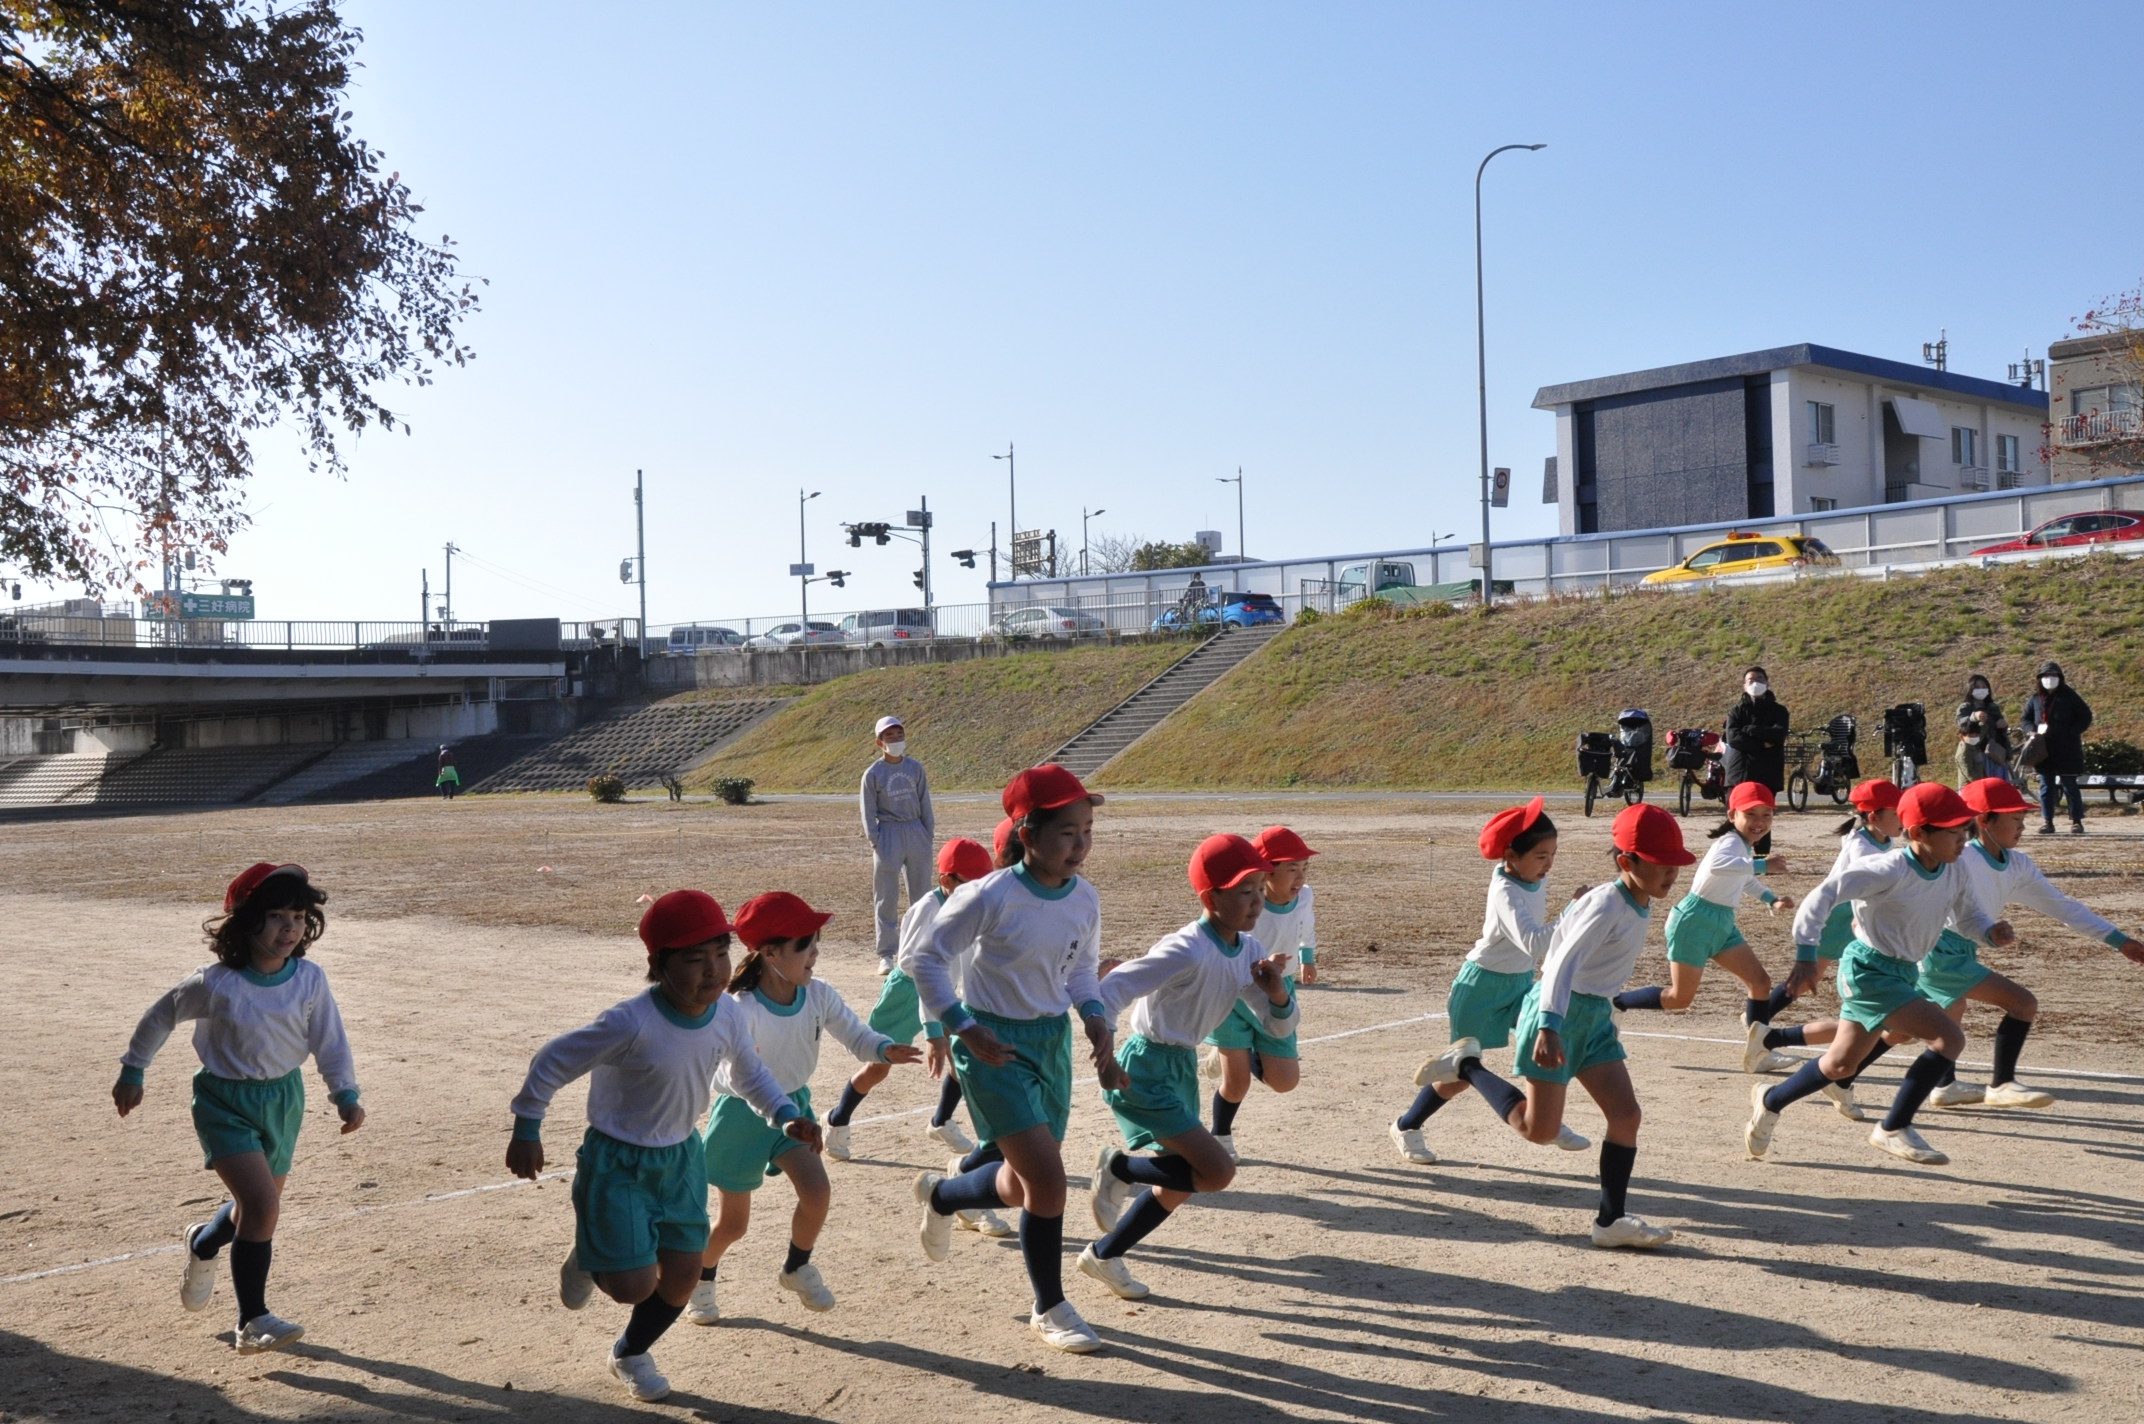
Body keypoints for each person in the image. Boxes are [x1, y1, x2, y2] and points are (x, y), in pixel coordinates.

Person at [506, 890, 818, 1402]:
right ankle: (590, 1254)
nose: (713, 970)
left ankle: (630, 1353)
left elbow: (750, 1074)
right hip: (618, 1161)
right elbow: (552, 1060)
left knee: (683, 1276)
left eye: (720, 953)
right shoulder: (630, 1022)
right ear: (659, 965)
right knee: (631, 1286)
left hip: (681, 1157)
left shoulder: (727, 1013)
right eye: (695, 959)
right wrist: (527, 1126)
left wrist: (785, 1115)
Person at [1417, 803, 1696, 1250]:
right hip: (1558, 1016)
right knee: (1539, 1130)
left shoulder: (1638, 900)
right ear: (1627, 863)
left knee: (1626, 1115)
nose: (1672, 874)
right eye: (1661, 864)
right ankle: (1466, 1066)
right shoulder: (1606, 903)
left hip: (1594, 1020)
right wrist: (1548, 1025)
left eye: (1675, 864)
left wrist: (1607, 1015)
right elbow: (1559, 963)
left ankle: (1610, 1221)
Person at [909, 765, 1121, 1354]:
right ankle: (1050, 1307)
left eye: (1087, 830)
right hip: (993, 1045)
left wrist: (1095, 1016)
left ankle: (942, 1196)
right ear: (1027, 834)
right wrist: (962, 1027)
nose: (1080, 845)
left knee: (1016, 1185)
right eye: (1066, 832)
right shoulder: (990, 895)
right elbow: (925, 960)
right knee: (1048, 1182)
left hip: (1051, 1042)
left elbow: (1081, 969)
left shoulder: (1084, 897)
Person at [113, 863, 362, 1356]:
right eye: (276, 915)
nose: (289, 927)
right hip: (224, 1102)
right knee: (263, 1206)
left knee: (255, 1206)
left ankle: (204, 1242)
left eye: (298, 916)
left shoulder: (310, 979)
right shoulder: (216, 982)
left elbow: (330, 1040)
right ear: (246, 922)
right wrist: (133, 1070)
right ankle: (252, 1319)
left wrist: (345, 1093)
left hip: (284, 1100)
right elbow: (161, 1016)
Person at [1743, 783, 2012, 1167]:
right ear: (1918, 833)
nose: (1963, 840)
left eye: (1965, 830)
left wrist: (1988, 931)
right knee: (1948, 1037)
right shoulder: (1888, 868)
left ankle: (1770, 1099)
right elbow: (1822, 896)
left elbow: (1967, 916)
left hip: (1903, 972)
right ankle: (1893, 1127)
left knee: (1840, 1066)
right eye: (1953, 832)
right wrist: (1805, 955)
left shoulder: (1955, 869)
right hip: (1869, 970)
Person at [1079, 834, 1297, 1302]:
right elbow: (1112, 989)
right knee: (1217, 1172)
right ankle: (1120, 1168)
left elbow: (1276, 1026)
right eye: (1244, 891)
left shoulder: (1249, 949)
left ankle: (1104, 1255)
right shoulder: (1187, 948)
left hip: (1180, 1067)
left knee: (1180, 1183)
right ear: (1210, 898)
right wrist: (1106, 1055)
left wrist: (1278, 993)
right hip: (1145, 1067)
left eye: (1260, 888)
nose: (1257, 901)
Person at [690, 893, 920, 1325]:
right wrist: (769, 1104)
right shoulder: (739, 1008)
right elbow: (726, 1076)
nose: (815, 953)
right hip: (741, 1119)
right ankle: (701, 1278)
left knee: (817, 1193)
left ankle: (796, 1267)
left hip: (797, 1110)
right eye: (805, 946)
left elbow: (856, 1035)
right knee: (733, 1225)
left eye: (816, 943)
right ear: (770, 953)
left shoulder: (818, 994)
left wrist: (884, 1048)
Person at [1918, 778, 2144, 1109]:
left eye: (2024, 818)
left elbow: (2063, 907)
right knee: (2022, 1004)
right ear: (1984, 820)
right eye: (2015, 819)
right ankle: (2001, 1085)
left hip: (1961, 949)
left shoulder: (2018, 865)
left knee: (1932, 1019)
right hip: (1936, 950)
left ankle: (1937, 1085)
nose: (2023, 826)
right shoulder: (1959, 859)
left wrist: (2119, 941)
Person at [1390, 798, 1588, 1164]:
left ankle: (1546, 1118)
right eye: (1541, 856)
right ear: (1511, 855)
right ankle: (1406, 1125)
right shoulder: (1505, 891)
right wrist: (1573, 910)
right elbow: (1535, 943)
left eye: (1553, 855)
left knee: (1543, 1040)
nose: (1549, 864)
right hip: (1480, 988)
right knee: (1459, 1078)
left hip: (1519, 983)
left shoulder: (1531, 878)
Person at [824, 839, 1003, 1198]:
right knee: (879, 1065)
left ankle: (941, 1120)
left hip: (946, 992)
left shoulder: (971, 906)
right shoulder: (927, 909)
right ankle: (837, 1119)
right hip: (907, 992)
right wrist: (932, 1029)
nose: (979, 889)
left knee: (964, 1056)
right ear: (946, 880)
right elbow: (917, 968)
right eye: (971, 882)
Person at [1610, 783, 1797, 1075]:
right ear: (1732, 815)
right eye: (1751, 814)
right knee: (1679, 999)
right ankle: (1617, 1003)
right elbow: (1720, 867)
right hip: (1694, 922)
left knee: (1760, 982)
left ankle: (1759, 1054)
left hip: (1721, 923)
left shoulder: (1742, 847)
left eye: (1767, 815)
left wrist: (1770, 899)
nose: (1759, 822)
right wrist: (1762, 865)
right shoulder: (1729, 842)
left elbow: (1741, 878)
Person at [1756, 779, 1907, 1122]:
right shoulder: (1861, 844)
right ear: (1873, 816)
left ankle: (1768, 1032)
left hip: (1858, 917)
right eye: (1897, 811)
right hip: (1839, 916)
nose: (1904, 817)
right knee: (1808, 978)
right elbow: (1866, 879)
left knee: (1843, 993)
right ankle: (1758, 1023)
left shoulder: (1883, 838)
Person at [1198, 824, 1317, 1161]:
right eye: (1291, 868)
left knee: (1285, 1081)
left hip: (1277, 990)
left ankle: (1240, 1052)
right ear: (1266, 872)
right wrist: (1255, 964)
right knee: (1237, 1083)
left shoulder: (1305, 896)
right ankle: (1220, 1135)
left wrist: (1307, 957)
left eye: (1304, 868)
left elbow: (1305, 926)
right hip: (1234, 995)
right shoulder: (1245, 903)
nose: (1300, 877)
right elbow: (1216, 939)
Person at [861, 716, 935, 974]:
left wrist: (927, 833)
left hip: (915, 830)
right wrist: (875, 839)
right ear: (879, 742)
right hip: (888, 832)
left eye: (899, 734)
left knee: (922, 895)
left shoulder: (915, 768)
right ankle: (886, 954)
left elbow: (925, 801)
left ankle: (920, 948)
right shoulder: (873, 774)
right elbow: (868, 811)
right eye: (889, 736)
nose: (895, 740)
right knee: (886, 896)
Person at [2020, 662, 2093, 835]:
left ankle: (2076, 821)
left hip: (2067, 749)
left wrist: (2072, 732)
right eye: (2046, 676)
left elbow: (2085, 716)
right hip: (2043, 749)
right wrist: (2031, 730)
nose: (2050, 679)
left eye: (2053, 675)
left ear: (2060, 678)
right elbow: (2025, 719)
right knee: (2046, 787)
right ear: (2040, 679)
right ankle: (2048, 821)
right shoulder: (2035, 698)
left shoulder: (2070, 696)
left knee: (2070, 786)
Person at [1723, 666, 1789, 792]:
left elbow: (1778, 735)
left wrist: (1750, 729)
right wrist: (1762, 744)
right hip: (1740, 773)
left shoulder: (1779, 711)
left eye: (1760, 679)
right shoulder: (1736, 711)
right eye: (1751, 680)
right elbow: (1733, 739)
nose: (1755, 683)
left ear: (1767, 683)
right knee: (1736, 805)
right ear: (1744, 686)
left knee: (1764, 805)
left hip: (1769, 774)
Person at [1956, 674, 2012, 783]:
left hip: (1995, 753)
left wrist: (2002, 725)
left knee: (1999, 785)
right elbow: (1960, 724)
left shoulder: (1992, 707)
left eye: (1984, 687)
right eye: (1977, 687)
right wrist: (1973, 717)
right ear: (1970, 689)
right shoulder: (1965, 707)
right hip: (1977, 752)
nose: (1981, 690)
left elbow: (2001, 729)